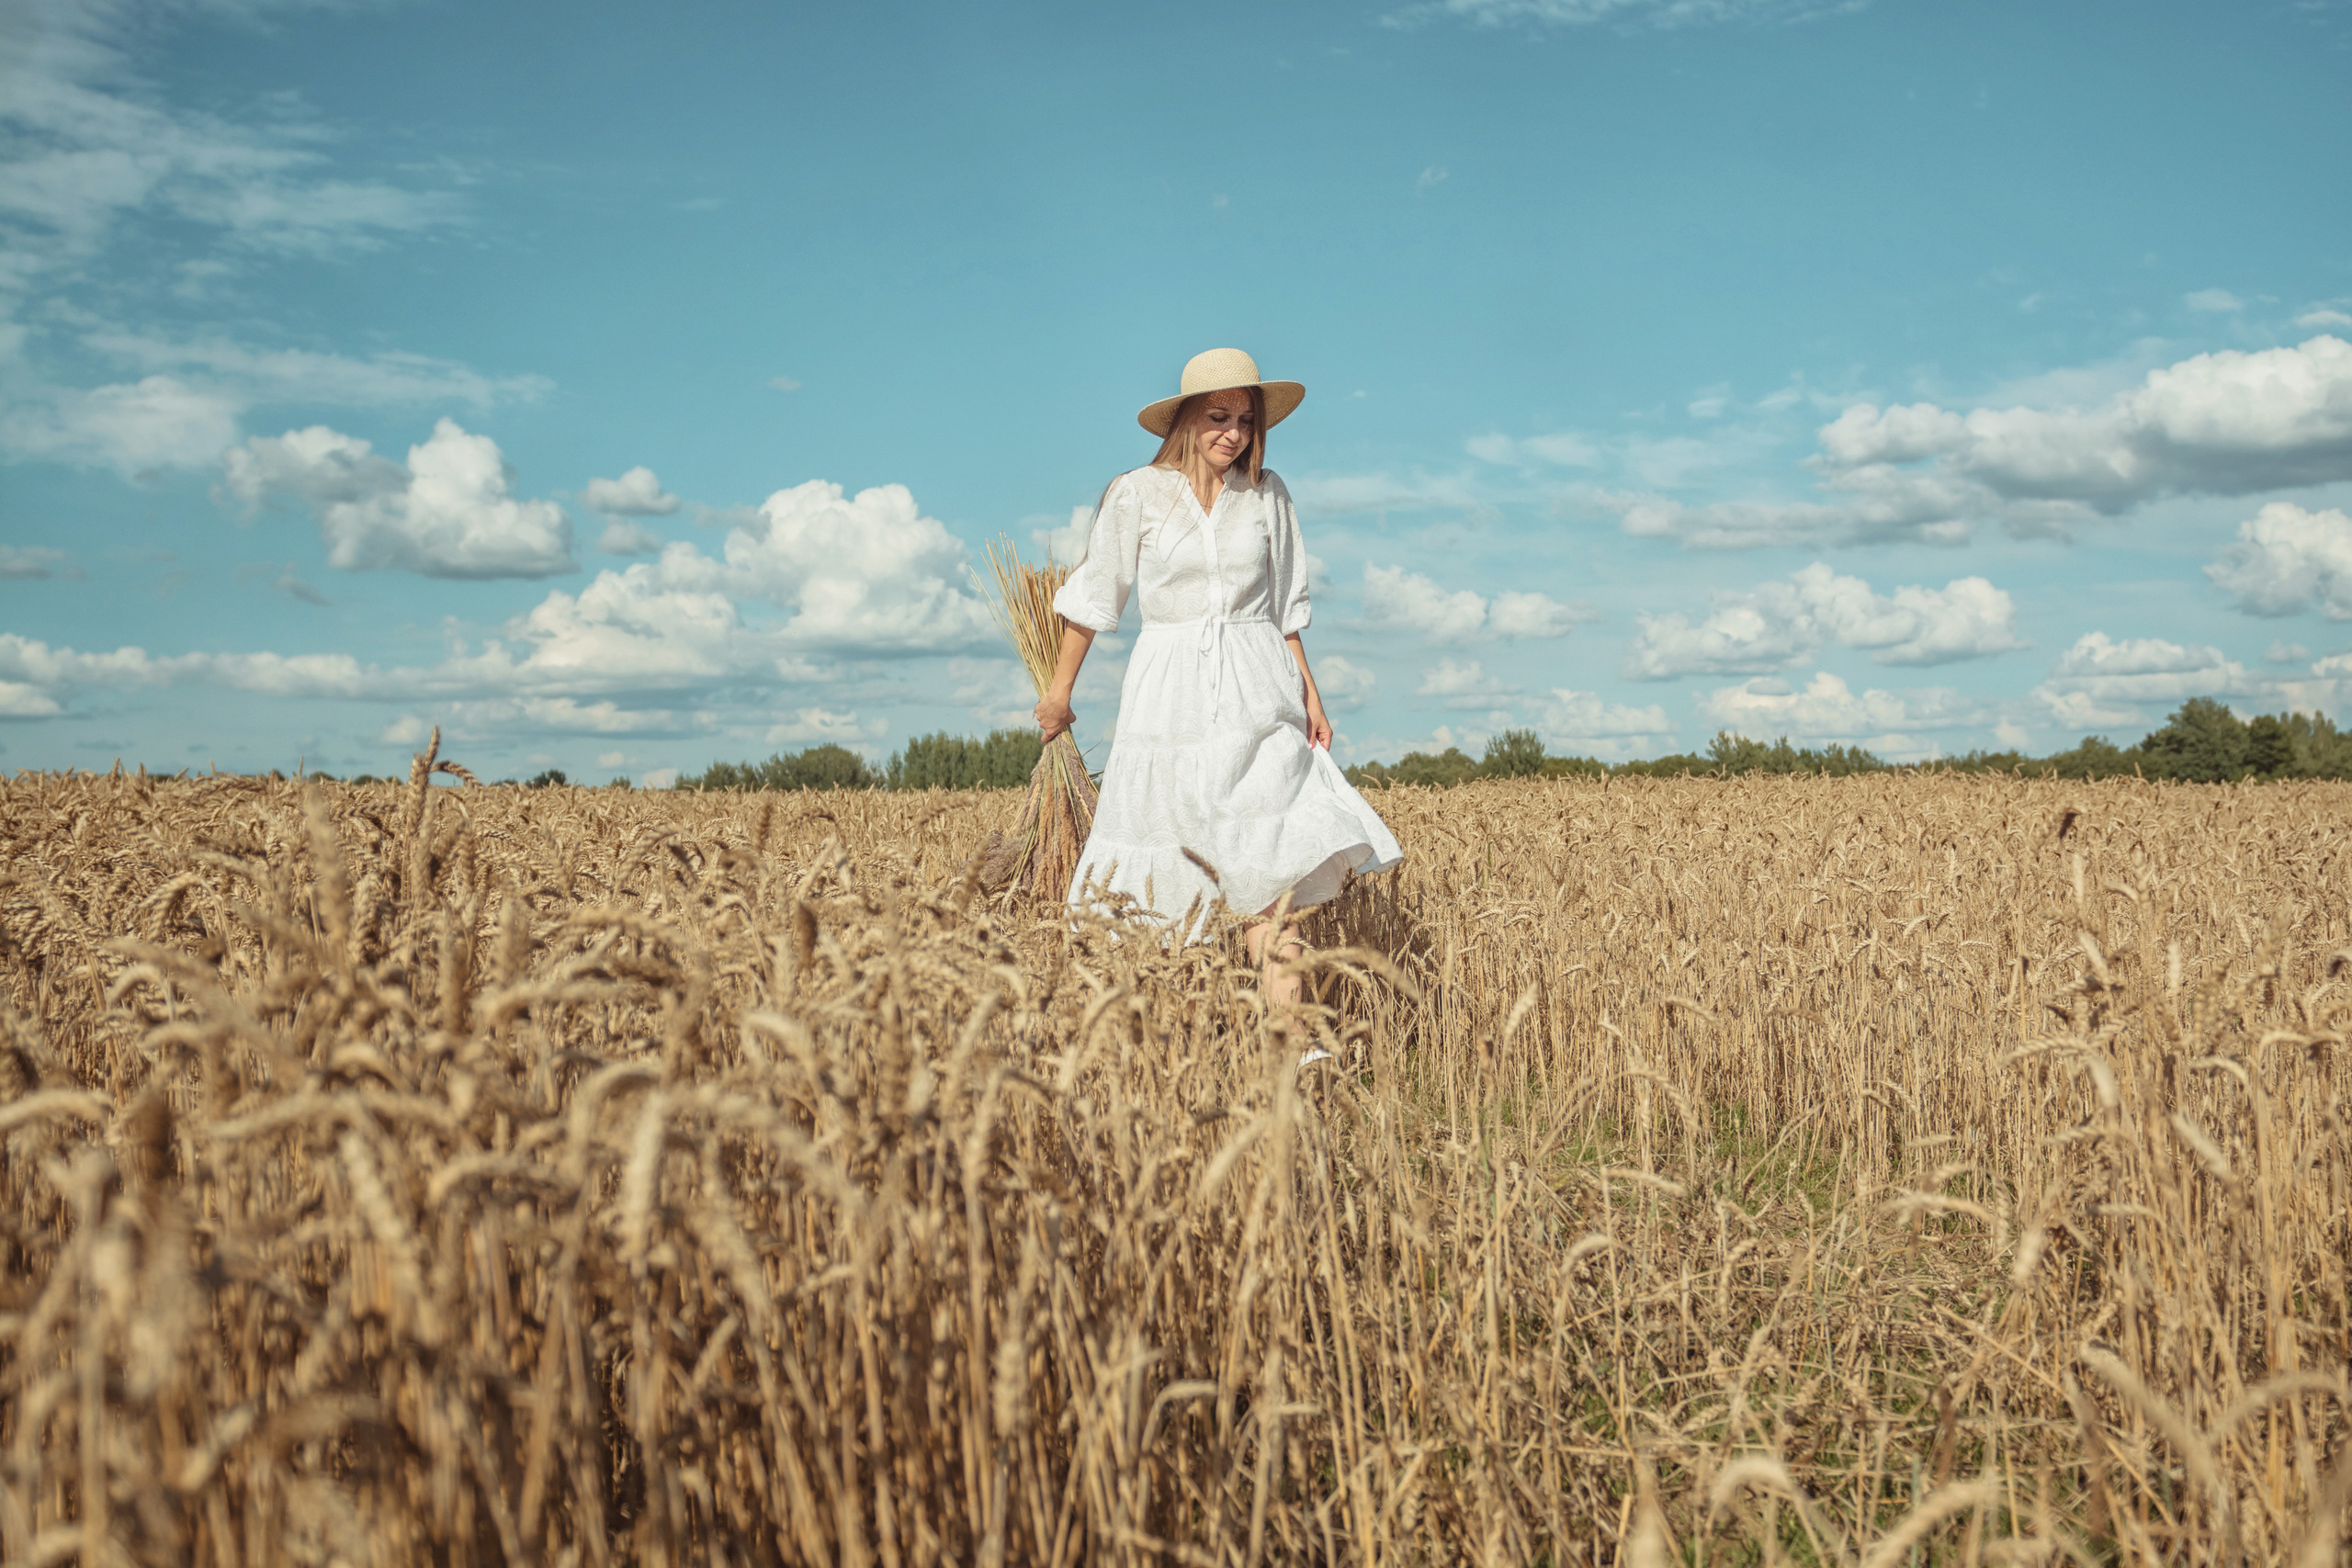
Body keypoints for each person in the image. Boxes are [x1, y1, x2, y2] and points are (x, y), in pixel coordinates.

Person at [1034, 347, 1403, 1003]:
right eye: (1218, 416)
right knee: (1160, 879)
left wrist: (1310, 694)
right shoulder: (1137, 494)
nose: (1233, 432)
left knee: (1273, 885)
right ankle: (1161, 1044)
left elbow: (1286, 609)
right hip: (1167, 698)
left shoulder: (1268, 495)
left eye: (1246, 420)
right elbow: (1093, 599)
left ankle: (1291, 1053)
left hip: (1260, 690)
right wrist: (1059, 693)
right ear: (1185, 421)